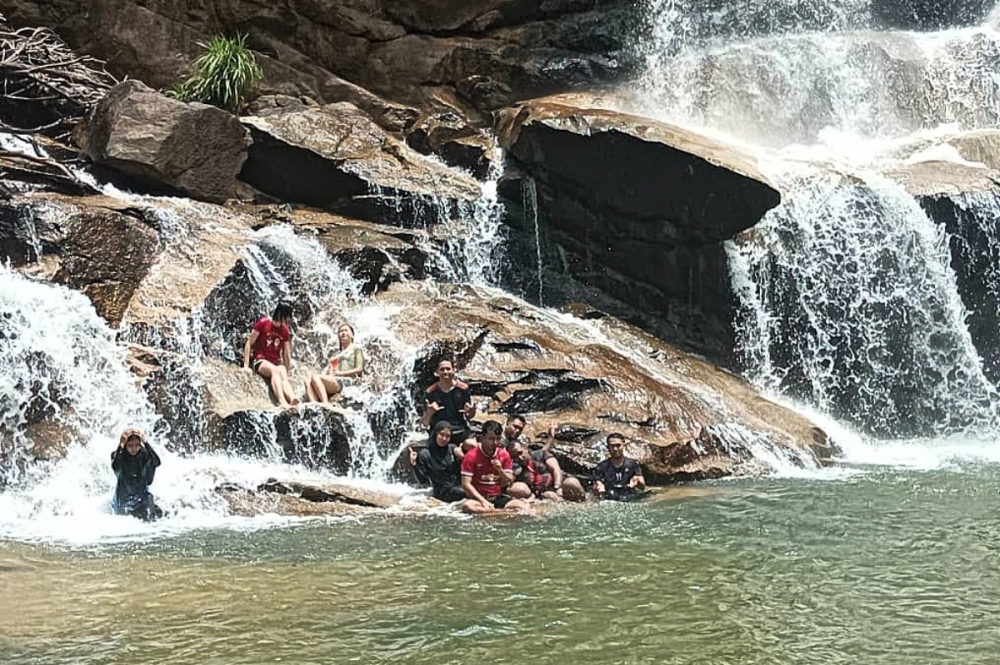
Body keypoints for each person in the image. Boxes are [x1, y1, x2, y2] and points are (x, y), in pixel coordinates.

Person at [460, 420, 531, 514]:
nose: (495, 442)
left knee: (523, 507)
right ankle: (500, 513)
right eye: (491, 439)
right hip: (479, 498)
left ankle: (494, 513)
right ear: (482, 438)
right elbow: (466, 484)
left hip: (497, 497)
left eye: (498, 438)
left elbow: (509, 482)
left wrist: (500, 470)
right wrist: (483, 501)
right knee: (467, 506)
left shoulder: (504, 454)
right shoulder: (471, 456)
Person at [242, 303, 299, 408]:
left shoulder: (285, 331)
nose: (288, 320)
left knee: (281, 370)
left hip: (275, 362)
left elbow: (286, 353)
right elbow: (249, 342)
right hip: (260, 360)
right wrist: (246, 365)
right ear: (281, 315)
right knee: (275, 370)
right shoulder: (263, 323)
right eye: (287, 317)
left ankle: (292, 398)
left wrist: (287, 372)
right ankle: (282, 401)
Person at [421, 358, 476, 446]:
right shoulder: (430, 392)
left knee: (473, 445)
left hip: (459, 430)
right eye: (442, 369)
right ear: (437, 372)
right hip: (439, 434)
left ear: (454, 370)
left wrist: (471, 412)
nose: (446, 372)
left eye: (448, 369)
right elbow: (424, 423)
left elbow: (469, 415)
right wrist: (429, 413)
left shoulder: (463, 389)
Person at [111, 428, 163, 521]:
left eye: (137, 445)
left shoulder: (143, 454)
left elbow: (157, 462)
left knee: (152, 515)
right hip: (125, 498)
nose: (134, 449)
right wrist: (121, 444)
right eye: (130, 445)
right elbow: (115, 466)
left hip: (142, 496)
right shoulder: (119, 455)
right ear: (125, 445)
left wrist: (146, 442)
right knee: (127, 517)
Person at [306, 322, 365, 403]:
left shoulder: (356, 350)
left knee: (315, 377)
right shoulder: (336, 354)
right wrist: (332, 371)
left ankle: (325, 403)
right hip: (336, 380)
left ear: (352, 335)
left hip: (348, 381)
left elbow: (359, 369)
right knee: (307, 381)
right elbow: (332, 372)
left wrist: (340, 373)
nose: (343, 333)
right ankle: (314, 404)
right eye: (341, 331)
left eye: (346, 331)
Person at [508, 441, 585, 502]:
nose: (520, 458)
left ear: (525, 448)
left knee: (571, 482)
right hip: (544, 494)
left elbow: (556, 469)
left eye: (520, 453)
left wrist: (558, 487)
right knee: (548, 495)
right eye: (515, 457)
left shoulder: (541, 454)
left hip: (559, 487)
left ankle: (584, 503)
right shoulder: (518, 470)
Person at [410, 420, 466, 503]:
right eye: (442, 434)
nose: (444, 439)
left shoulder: (452, 449)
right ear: (436, 434)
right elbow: (423, 481)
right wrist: (414, 464)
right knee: (465, 493)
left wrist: (463, 458)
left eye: (448, 436)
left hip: (458, 485)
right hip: (441, 491)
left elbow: (463, 471)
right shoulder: (425, 454)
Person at [593, 433, 646, 501]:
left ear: (624, 445)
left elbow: (642, 485)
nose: (615, 449)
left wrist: (637, 482)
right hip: (610, 498)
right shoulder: (601, 466)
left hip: (629, 496)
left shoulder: (632, 464)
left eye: (618, 445)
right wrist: (598, 487)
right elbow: (597, 484)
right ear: (607, 447)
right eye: (612, 446)